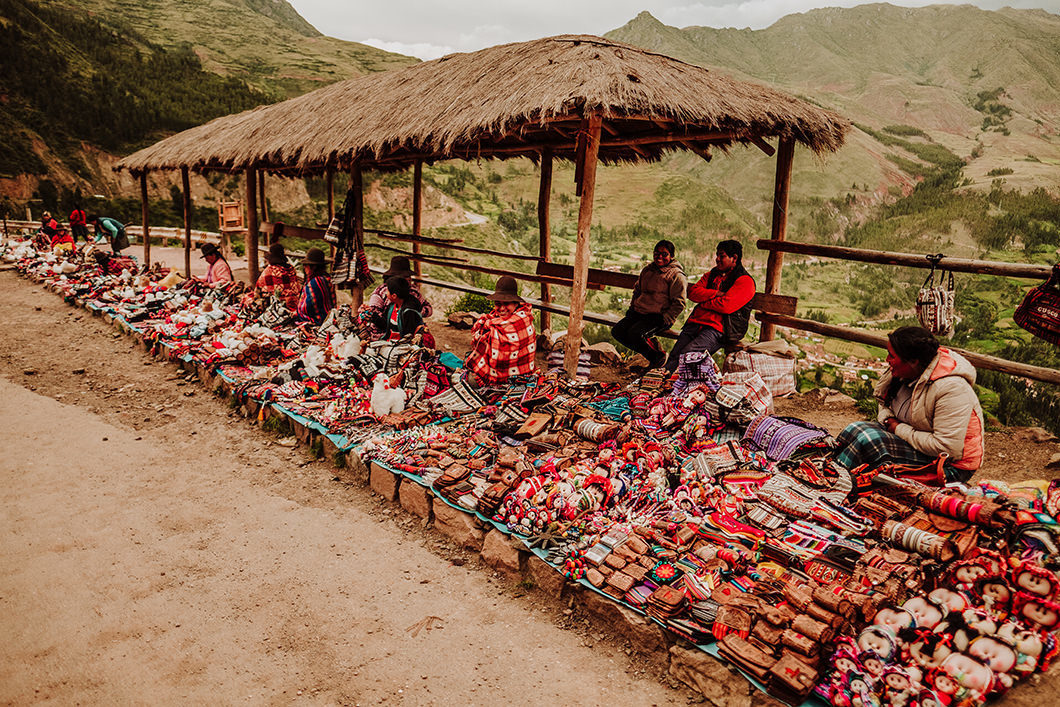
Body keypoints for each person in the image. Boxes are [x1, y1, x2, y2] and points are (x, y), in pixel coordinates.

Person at [834, 326, 984, 482]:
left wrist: (898, 428)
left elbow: (946, 447)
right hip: (916, 442)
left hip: (950, 465)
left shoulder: (952, 388)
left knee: (870, 439)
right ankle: (832, 471)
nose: (887, 360)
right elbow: (884, 403)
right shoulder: (903, 373)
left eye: (892, 356)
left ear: (913, 361)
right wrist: (888, 421)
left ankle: (837, 482)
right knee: (855, 429)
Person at [665, 239, 755, 372]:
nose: (717, 259)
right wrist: (716, 293)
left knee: (689, 355)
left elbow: (726, 306)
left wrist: (704, 301)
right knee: (674, 355)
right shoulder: (712, 274)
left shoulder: (745, 281)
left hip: (718, 329)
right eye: (717, 255)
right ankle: (662, 384)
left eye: (722, 256)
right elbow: (693, 292)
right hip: (696, 323)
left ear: (734, 258)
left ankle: (679, 388)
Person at [611, 239, 686, 368]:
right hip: (639, 312)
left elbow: (679, 302)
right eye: (657, 253)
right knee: (617, 331)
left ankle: (657, 358)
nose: (660, 257)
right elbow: (637, 290)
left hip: (658, 316)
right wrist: (633, 307)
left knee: (635, 334)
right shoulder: (648, 270)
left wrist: (667, 318)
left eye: (664, 254)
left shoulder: (676, 275)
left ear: (672, 256)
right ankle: (653, 351)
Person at [466, 276, 537, 385]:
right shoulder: (494, 320)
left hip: (521, 376)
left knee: (471, 380)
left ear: (515, 303)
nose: (502, 308)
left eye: (506, 303)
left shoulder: (523, 321)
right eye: (498, 304)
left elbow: (502, 357)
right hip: (496, 371)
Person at [369, 276, 425, 341]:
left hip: (402, 345)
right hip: (392, 342)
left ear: (394, 296)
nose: (386, 293)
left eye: (388, 291)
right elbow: (385, 325)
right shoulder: (392, 306)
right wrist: (371, 314)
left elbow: (408, 336)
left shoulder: (409, 312)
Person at [297, 247, 336, 326]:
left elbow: (307, 308)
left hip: (318, 321)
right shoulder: (326, 279)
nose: (304, 267)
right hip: (328, 318)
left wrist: (298, 312)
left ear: (314, 267)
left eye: (306, 265)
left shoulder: (316, 282)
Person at [255, 243, 300, 309]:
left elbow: (258, 289)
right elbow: (297, 288)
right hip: (294, 304)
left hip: (275, 307)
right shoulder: (291, 269)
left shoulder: (269, 271)